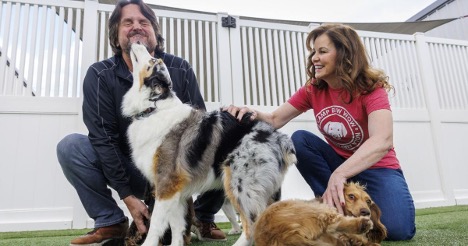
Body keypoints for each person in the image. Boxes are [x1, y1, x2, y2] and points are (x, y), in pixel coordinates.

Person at [56, 0, 226, 244]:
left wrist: (179, 181)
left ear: (155, 34)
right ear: (116, 36)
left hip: (175, 167)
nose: (136, 27)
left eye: (143, 22)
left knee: (225, 140)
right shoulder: (99, 75)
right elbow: (104, 139)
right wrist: (127, 196)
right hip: (131, 167)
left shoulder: (179, 68)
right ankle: (110, 222)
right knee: (71, 147)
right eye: (128, 22)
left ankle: (202, 216)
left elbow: (200, 130)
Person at [225, 24, 416, 241]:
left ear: (345, 54)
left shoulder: (371, 88)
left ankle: (339, 209)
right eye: (313, 52)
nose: (314, 58)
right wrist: (248, 112)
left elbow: (382, 140)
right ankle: (331, 211)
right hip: (336, 163)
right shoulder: (314, 88)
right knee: (300, 140)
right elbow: (275, 119)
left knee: (399, 231)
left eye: (322, 51)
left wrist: (340, 174)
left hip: (377, 167)